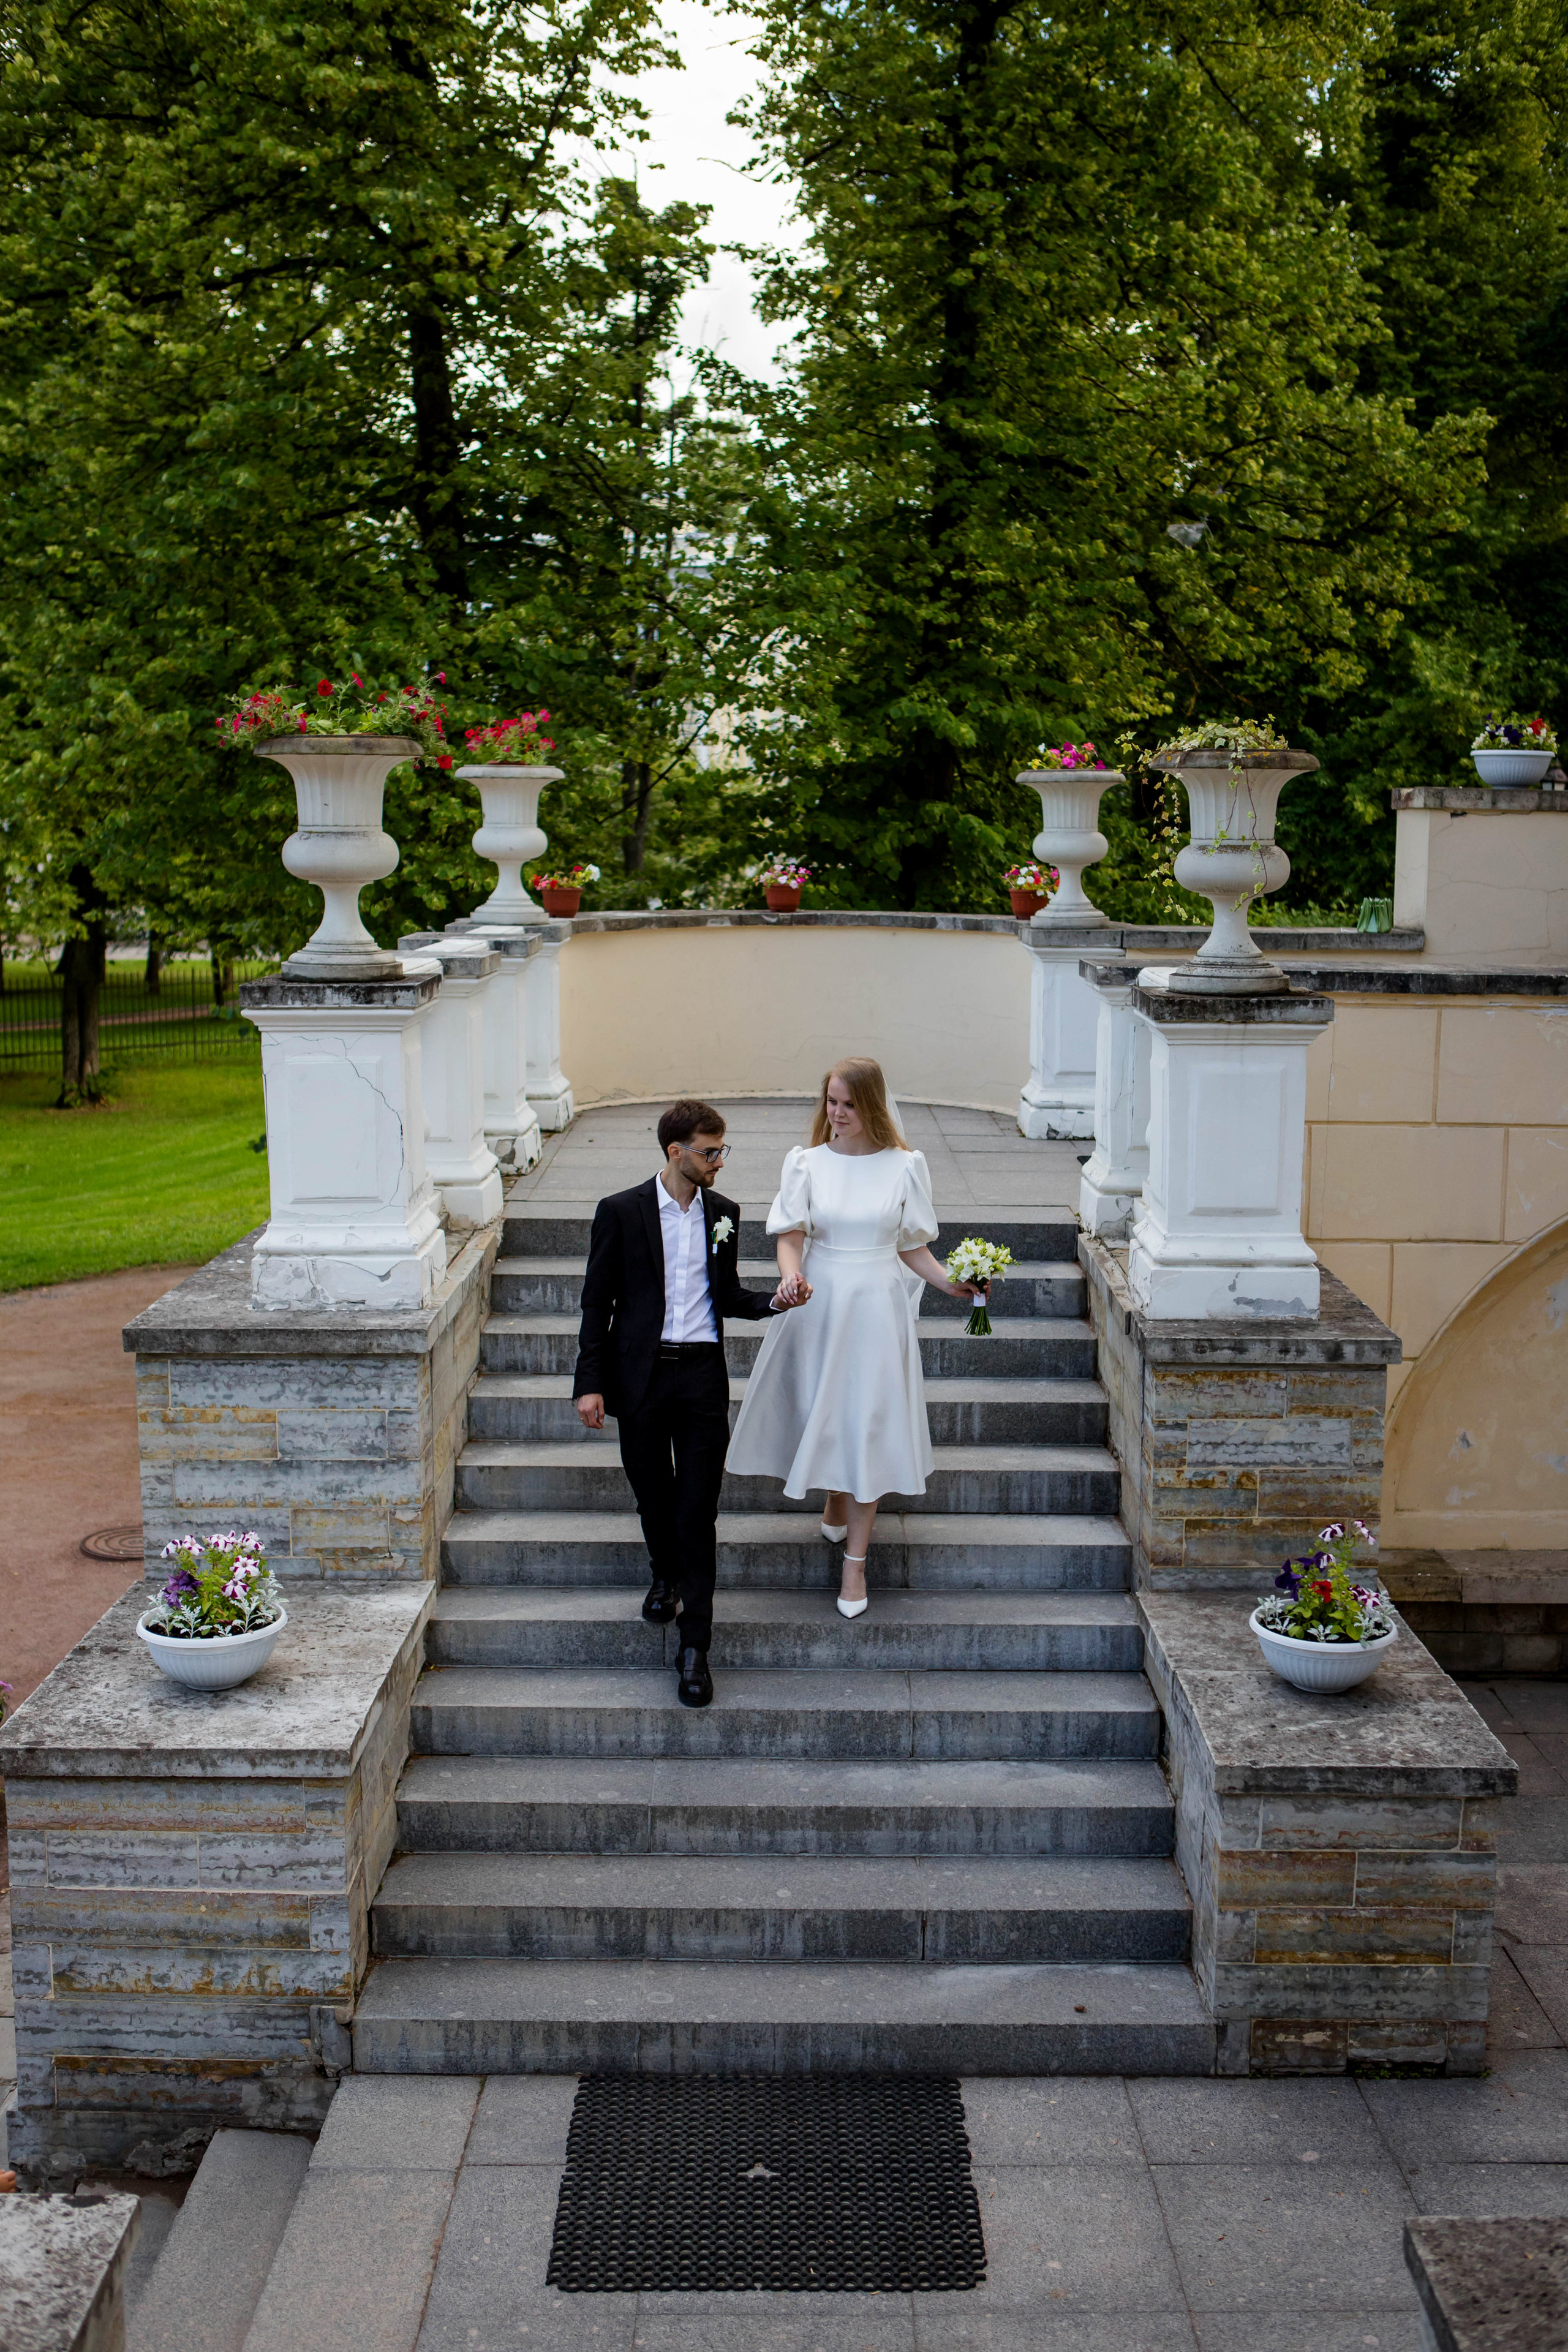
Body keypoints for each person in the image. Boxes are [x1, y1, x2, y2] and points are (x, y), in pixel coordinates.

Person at [726, 1057, 989, 1617]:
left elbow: (910, 1245)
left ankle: (855, 1568)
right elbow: (791, 1236)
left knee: (866, 1422)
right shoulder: (806, 1163)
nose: (838, 1113)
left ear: (870, 1105)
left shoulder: (905, 1166)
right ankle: (833, 1498)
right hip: (820, 1305)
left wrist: (951, 1285)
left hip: (875, 1308)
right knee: (830, 1409)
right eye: (831, 1102)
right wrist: (789, 1274)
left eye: (848, 1104)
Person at [572, 1098, 802, 1709]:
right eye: (709, 1152)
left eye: (721, 1150)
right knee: (654, 1496)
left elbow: (725, 1294)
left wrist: (773, 1302)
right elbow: (599, 1303)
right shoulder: (619, 1213)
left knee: (697, 1514)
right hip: (639, 1378)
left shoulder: (723, 1215)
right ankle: (664, 1573)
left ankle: (694, 1647)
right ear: (676, 1154)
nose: (718, 1162)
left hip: (701, 1377)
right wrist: (588, 1383)